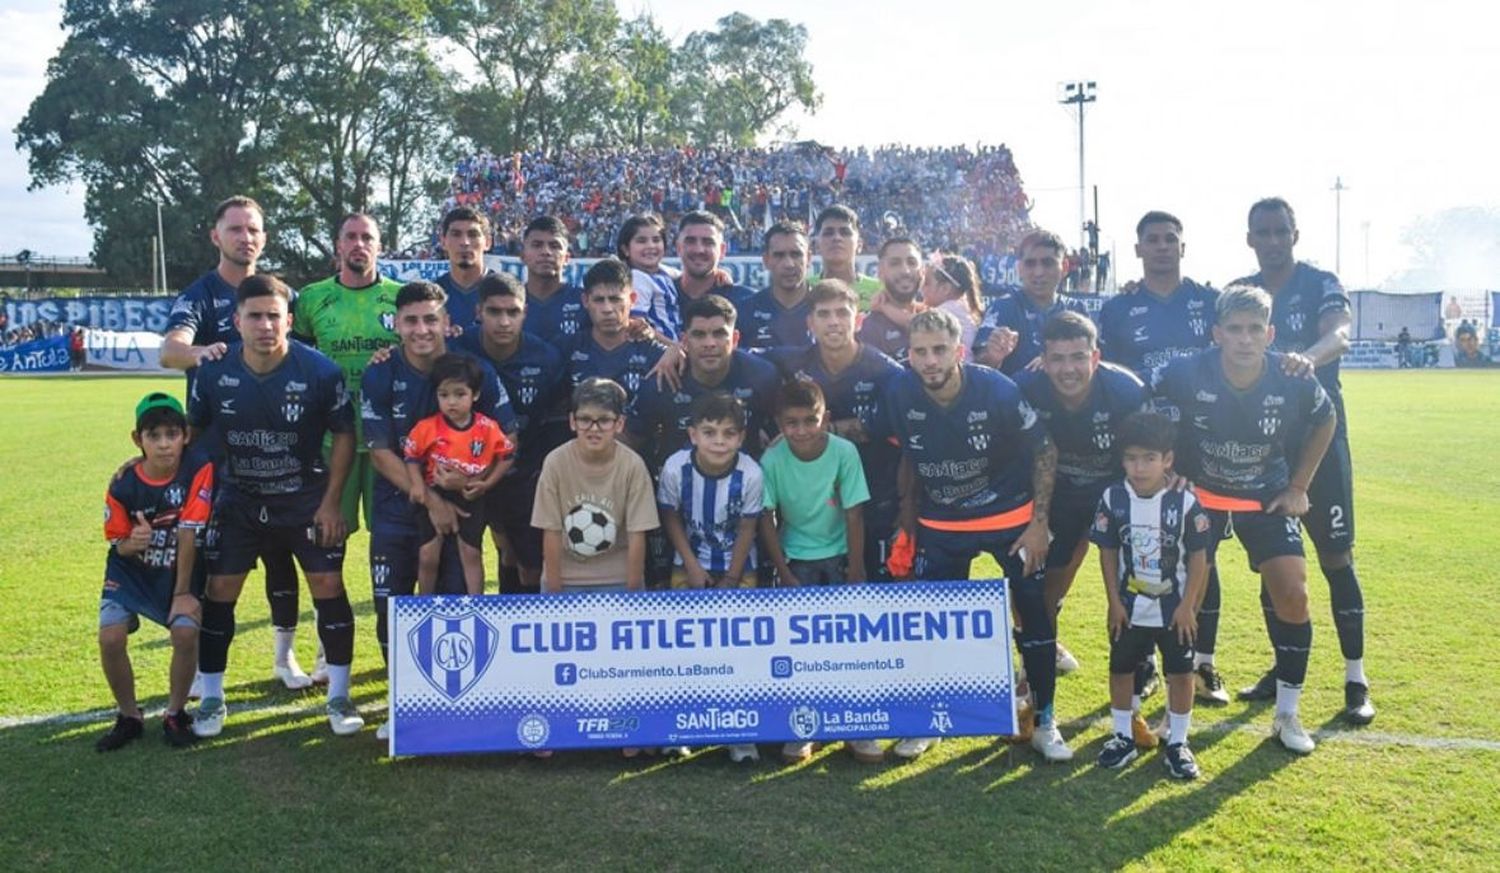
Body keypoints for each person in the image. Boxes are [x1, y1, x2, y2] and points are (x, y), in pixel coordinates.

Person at [1155, 286, 1337, 753]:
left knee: (1294, 595)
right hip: (1203, 495)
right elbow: (1148, 411)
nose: (1244, 338)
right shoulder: (1183, 372)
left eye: (1255, 329)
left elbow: (1326, 419)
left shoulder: (1291, 375)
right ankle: (1177, 705)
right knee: (1182, 595)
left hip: (1266, 497)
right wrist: (1169, 470)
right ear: (1217, 333)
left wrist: (1298, 486)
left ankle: (1288, 714)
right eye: (1234, 329)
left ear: (1270, 333)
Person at [885, 308, 1071, 763]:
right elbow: (896, 449)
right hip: (942, 526)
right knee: (930, 628)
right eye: (920, 352)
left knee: (1034, 618)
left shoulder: (996, 389)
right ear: (909, 355)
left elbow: (1045, 450)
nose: (930, 361)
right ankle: (929, 720)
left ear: (959, 351)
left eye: (939, 350)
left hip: (1010, 521)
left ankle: (1046, 721)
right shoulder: (899, 390)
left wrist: (1039, 523)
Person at [188, 274, 363, 738]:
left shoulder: (320, 371)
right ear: (236, 321)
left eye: (274, 316)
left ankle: (339, 696)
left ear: (289, 320)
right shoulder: (211, 372)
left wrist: (331, 502)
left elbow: (344, 433)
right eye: (255, 316)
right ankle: (210, 697)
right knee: (220, 590)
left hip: (304, 497)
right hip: (238, 499)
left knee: (327, 582)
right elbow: (194, 435)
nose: (265, 325)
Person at [158, 195, 311, 689]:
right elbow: (169, 350)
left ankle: (285, 657)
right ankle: (208, 676)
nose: (245, 237)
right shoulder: (201, 295)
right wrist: (202, 351)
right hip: (216, 454)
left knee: (280, 556)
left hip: (279, 450)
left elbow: (308, 356)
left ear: (263, 238)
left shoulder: (281, 294)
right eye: (236, 229)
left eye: (253, 229)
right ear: (216, 236)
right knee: (214, 563)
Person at [1232, 197, 1375, 724]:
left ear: (1295, 234)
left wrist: (1306, 360)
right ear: (1250, 239)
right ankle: (1281, 667)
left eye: (1280, 231)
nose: (1272, 240)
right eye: (1261, 232)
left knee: (1337, 559)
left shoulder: (1318, 283)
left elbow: (1340, 334)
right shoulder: (1242, 291)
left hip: (1321, 437)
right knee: (1276, 565)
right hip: (1267, 446)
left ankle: (1356, 679)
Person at [361, 281, 515, 738]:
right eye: (411, 320)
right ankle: (399, 702)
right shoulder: (381, 373)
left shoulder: (474, 370)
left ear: (447, 322)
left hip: (464, 509)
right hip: (397, 506)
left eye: (431, 319)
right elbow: (380, 449)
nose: (422, 329)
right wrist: (429, 499)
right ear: (397, 325)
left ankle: (453, 703)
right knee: (393, 607)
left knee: (453, 607)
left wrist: (470, 485)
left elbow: (506, 439)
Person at [1097, 211, 1228, 705]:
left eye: (1169, 239)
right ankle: (1148, 662)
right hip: (1140, 453)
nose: (1160, 247)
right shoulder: (1118, 308)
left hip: (1196, 448)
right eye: (1151, 240)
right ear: (1137, 249)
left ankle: (1202, 663)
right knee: (1143, 551)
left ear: (1182, 246)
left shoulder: (1207, 301)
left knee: (1200, 555)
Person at [1014, 313, 1150, 707]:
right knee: (1040, 582)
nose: (1068, 369)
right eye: (1057, 358)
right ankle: (1035, 660)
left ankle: (1143, 664)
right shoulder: (1025, 388)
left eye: (1078, 357)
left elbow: (1150, 450)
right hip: (1056, 496)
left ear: (1096, 357)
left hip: (1115, 492)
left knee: (1139, 578)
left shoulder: (1126, 391)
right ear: (1042, 359)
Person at [757, 380, 875, 765]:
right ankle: (803, 728)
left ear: (825, 418)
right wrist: (783, 572)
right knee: (801, 649)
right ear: (779, 423)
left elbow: (854, 512)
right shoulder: (772, 461)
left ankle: (857, 728)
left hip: (841, 556)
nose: (802, 430)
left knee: (851, 646)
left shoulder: (844, 452)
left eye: (812, 420)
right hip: (797, 559)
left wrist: (856, 570)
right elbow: (766, 519)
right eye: (792, 423)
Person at [1092, 412, 1211, 780]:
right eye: (1131, 458)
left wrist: (1189, 607)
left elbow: (1199, 557)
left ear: (1168, 460)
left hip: (1173, 609)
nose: (1139, 467)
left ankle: (1178, 742)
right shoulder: (1113, 498)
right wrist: (1113, 601)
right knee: (1121, 668)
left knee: (1179, 672)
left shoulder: (1185, 502)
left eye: (1149, 458)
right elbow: (1108, 551)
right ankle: (1122, 736)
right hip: (1129, 606)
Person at [760, 280, 904, 583]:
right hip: (815, 505)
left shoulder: (885, 371)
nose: (834, 321)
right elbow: (733, 354)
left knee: (872, 590)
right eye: (824, 314)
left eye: (842, 312)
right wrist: (674, 350)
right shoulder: (792, 360)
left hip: (874, 496)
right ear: (810, 322)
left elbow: (891, 427)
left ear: (859, 319)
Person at [94, 392, 213, 751]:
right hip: (130, 572)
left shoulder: (199, 469)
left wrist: (182, 593)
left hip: (179, 570)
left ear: (185, 435)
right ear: (137, 439)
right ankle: (129, 716)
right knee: (110, 637)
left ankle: (175, 714)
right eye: (153, 436)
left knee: (185, 633)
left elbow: (190, 531)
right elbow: (117, 545)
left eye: (171, 434)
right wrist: (134, 540)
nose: (163, 445)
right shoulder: (123, 483)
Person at [656, 393, 764, 765]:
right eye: (710, 432)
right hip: (690, 565)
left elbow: (750, 525)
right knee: (685, 650)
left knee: (738, 651)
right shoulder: (675, 468)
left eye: (729, 433)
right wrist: (693, 567)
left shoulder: (750, 473)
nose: (719, 441)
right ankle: (680, 730)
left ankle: (740, 735)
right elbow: (671, 517)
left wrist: (733, 578)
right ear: (693, 434)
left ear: (741, 437)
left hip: (739, 568)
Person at [451, 272, 569, 593]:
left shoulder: (546, 358)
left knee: (529, 563)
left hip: (525, 474)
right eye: (494, 312)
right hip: (467, 477)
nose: (504, 321)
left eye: (513, 312)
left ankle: (522, 632)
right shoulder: (456, 352)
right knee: (460, 563)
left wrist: (542, 471)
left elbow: (557, 422)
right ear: (478, 312)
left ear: (525, 313)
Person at [294, 212, 403, 542]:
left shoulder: (402, 297)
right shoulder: (311, 298)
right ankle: (331, 596)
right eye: (351, 237)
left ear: (380, 246)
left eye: (367, 238)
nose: (359, 244)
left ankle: (389, 596)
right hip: (331, 437)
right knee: (328, 534)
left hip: (386, 438)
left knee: (391, 535)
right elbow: (297, 361)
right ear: (338, 245)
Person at [533, 377, 660, 594]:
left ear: (619, 423)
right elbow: (551, 530)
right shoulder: (555, 462)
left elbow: (637, 534)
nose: (594, 429)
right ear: (572, 421)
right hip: (566, 578)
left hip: (618, 578)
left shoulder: (632, 466)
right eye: (585, 420)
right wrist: (553, 594)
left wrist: (633, 592)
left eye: (604, 420)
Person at [403, 353, 515, 595]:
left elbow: (506, 456)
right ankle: (425, 603)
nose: (451, 402)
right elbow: (412, 457)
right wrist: (418, 486)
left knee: (471, 553)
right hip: (435, 493)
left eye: (459, 394)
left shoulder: (486, 428)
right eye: (444, 395)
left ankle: (477, 604)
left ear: (475, 395)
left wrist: (486, 484)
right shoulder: (427, 428)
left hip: (471, 496)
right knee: (428, 555)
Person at [629, 295, 779, 468]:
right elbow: (632, 442)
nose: (710, 343)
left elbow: (786, 435)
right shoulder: (662, 381)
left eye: (719, 334)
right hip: (676, 488)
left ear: (735, 339)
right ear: (684, 341)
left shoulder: (762, 376)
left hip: (748, 487)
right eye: (699, 335)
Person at [974, 229, 1091, 375]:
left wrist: (1054, 362)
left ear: (1065, 267)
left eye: (1048, 263)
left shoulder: (1077, 310)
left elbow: (1093, 363)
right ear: (1020, 268)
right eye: (1030, 264)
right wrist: (993, 356)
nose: (1038, 272)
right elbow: (978, 369)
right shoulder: (1003, 308)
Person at [560, 259, 668, 404]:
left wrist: (674, 349)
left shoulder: (656, 353)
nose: (607, 309)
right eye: (599, 300)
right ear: (585, 301)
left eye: (615, 299)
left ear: (632, 299)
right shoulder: (566, 350)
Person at [741, 222, 814, 349]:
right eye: (779, 255)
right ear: (766, 260)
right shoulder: (745, 312)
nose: (789, 264)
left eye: (796, 254)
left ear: (808, 258)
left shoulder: (826, 309)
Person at [856, 236, 925, 363]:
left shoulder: (941, 316)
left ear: (922, 272)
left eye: (912, 262)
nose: (905, 271)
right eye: (895, 263)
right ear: (880, 273)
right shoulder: (866, 329)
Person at [673, 210, 757, 314]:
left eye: (708, 242)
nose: (699, 250)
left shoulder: (747, 302)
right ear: (678, 248)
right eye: (690, 241)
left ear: (722, 250)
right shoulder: (659, 296)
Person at [519, 216, 588, 340]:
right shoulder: (509, 302)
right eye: (537, 245)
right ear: (522, 256)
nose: (546, 252)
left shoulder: (585, 302)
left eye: (554, 246)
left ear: (567, 258)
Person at [619, 213, 680, 340]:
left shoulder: (661, 272)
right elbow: (638, 327)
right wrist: (674, 349)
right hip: (658, 352)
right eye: (641, 241)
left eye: (656, 240)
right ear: (625, 249)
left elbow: (687, 276)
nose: (651, 246)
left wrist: (719, 273)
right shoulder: (637, 278)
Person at [433, 206, 495, 328]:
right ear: (443, 242)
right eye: (456, 234)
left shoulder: (506, 293)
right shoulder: (432, 296)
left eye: (473, 235)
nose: (464, 242)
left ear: (488, 242)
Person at [810, 204, 883, 301]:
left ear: (859, 244)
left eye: (845, 233)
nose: (837, 238)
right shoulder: (805, 291)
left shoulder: (879, 292)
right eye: (829, 233)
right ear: (817, 245)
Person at [922, 253, 983, 350]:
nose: (922, 288)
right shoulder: (960, 307)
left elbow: (912, 325)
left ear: (945, 288)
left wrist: (889, 308)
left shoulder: (945, 312)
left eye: (926, 283)